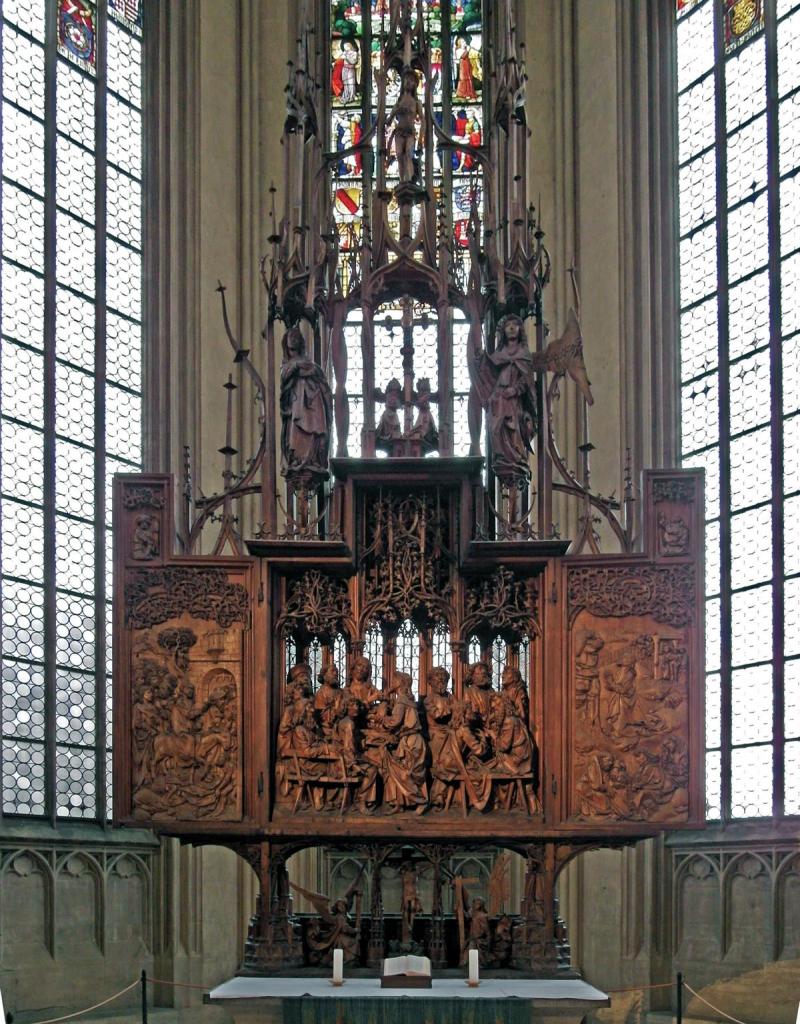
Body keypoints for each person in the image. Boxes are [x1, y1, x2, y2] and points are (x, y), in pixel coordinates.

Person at [473, 314, 537, 483]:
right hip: (498, 396)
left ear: (520, 330)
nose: (511, 328)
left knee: (513, 428)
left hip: (513, 399)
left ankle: (516, 457)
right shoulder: (499, 354)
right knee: (495, 427)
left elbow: (527, 379)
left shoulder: (524, 354)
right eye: (507, 326)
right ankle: (501, 457)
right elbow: (489, 370)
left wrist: (515, 389)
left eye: (514, 325)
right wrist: (480, 358)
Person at [279, 326, 333, 483]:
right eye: (291, 337)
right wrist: (296, 367)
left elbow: (320, 378)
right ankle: (298, 459)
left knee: (315, 429)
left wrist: (311, 371)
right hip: (297, 404)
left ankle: (313, 459)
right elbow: (285, 377)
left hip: (313, 403)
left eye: (296, 337)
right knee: (297, 431)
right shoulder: (287, 365)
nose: (293, 340)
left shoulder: (310, 363)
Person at [386, 66, 424, 183]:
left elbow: (423, 122)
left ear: (415, 85)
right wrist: (396, 113)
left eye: (411, 80)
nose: (408, 82)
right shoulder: (398, 102)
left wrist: (420, 142)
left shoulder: (417, 102)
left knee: (408, 154)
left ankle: (410, 180)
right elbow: (388, 120)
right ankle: (402, 181)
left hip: (410, 132)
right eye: (406, 79)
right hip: (399, 131)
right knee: (399, 156)